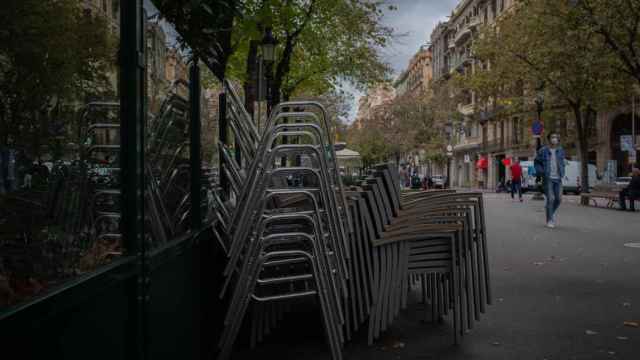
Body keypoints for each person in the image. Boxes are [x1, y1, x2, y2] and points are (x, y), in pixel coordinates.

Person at [535, 133, 566, 228]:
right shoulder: (543, 150)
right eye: (553, 137)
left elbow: (562, 162)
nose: (555, 139)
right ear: (549, 139)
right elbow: (536, 162)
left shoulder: (561, 150)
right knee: (551, 198)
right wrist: (541, 172)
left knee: (559, 199)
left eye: (556, 137)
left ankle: (549, 210)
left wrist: (562, 170)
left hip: (558, 178)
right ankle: (550, 220)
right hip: (548, 178)